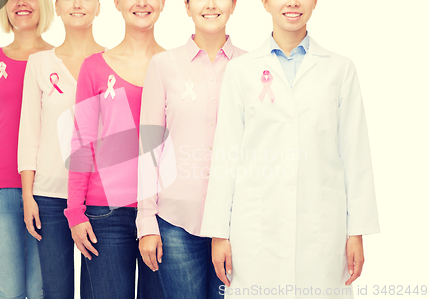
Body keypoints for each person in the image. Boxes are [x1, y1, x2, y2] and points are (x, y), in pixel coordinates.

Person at [200, 0, 380, 298]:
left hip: (322, 227)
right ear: (266, 3)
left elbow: (355, 152)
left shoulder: (340, 69)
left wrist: (356, 231)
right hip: (256, 227)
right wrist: (219, 232)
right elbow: (225, 155)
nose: (293, 3)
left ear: (315, 3)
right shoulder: (241, 70)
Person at [136, 0, 245, 298]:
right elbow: (149, 146)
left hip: (237, 223)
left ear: (234, 5)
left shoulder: (252, 67)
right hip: (175, 222)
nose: (210, 5)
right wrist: (146, 222)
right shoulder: (163, 65)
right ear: (186, 6)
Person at [65, 0, 166, 298]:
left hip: (162, 213)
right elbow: (81, 140)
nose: (142, 3)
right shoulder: (95, 67)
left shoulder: (174, 66)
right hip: (104, 214)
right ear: (117, 3)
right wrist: (75, 212)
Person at [0, 0, 54, 298]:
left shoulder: (59, 58)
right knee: (10, 291)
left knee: (42, 291)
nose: (20, 3)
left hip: (47, 190)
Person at [18, 0, 105, 298]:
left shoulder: (112, 61)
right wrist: (28, 196)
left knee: (98, 291)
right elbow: (29, 132)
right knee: (56, 291)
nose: (77, 4)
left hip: (98, 199)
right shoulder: (40, 63)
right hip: (49, 198)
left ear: (99, 8)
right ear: (56, 7)